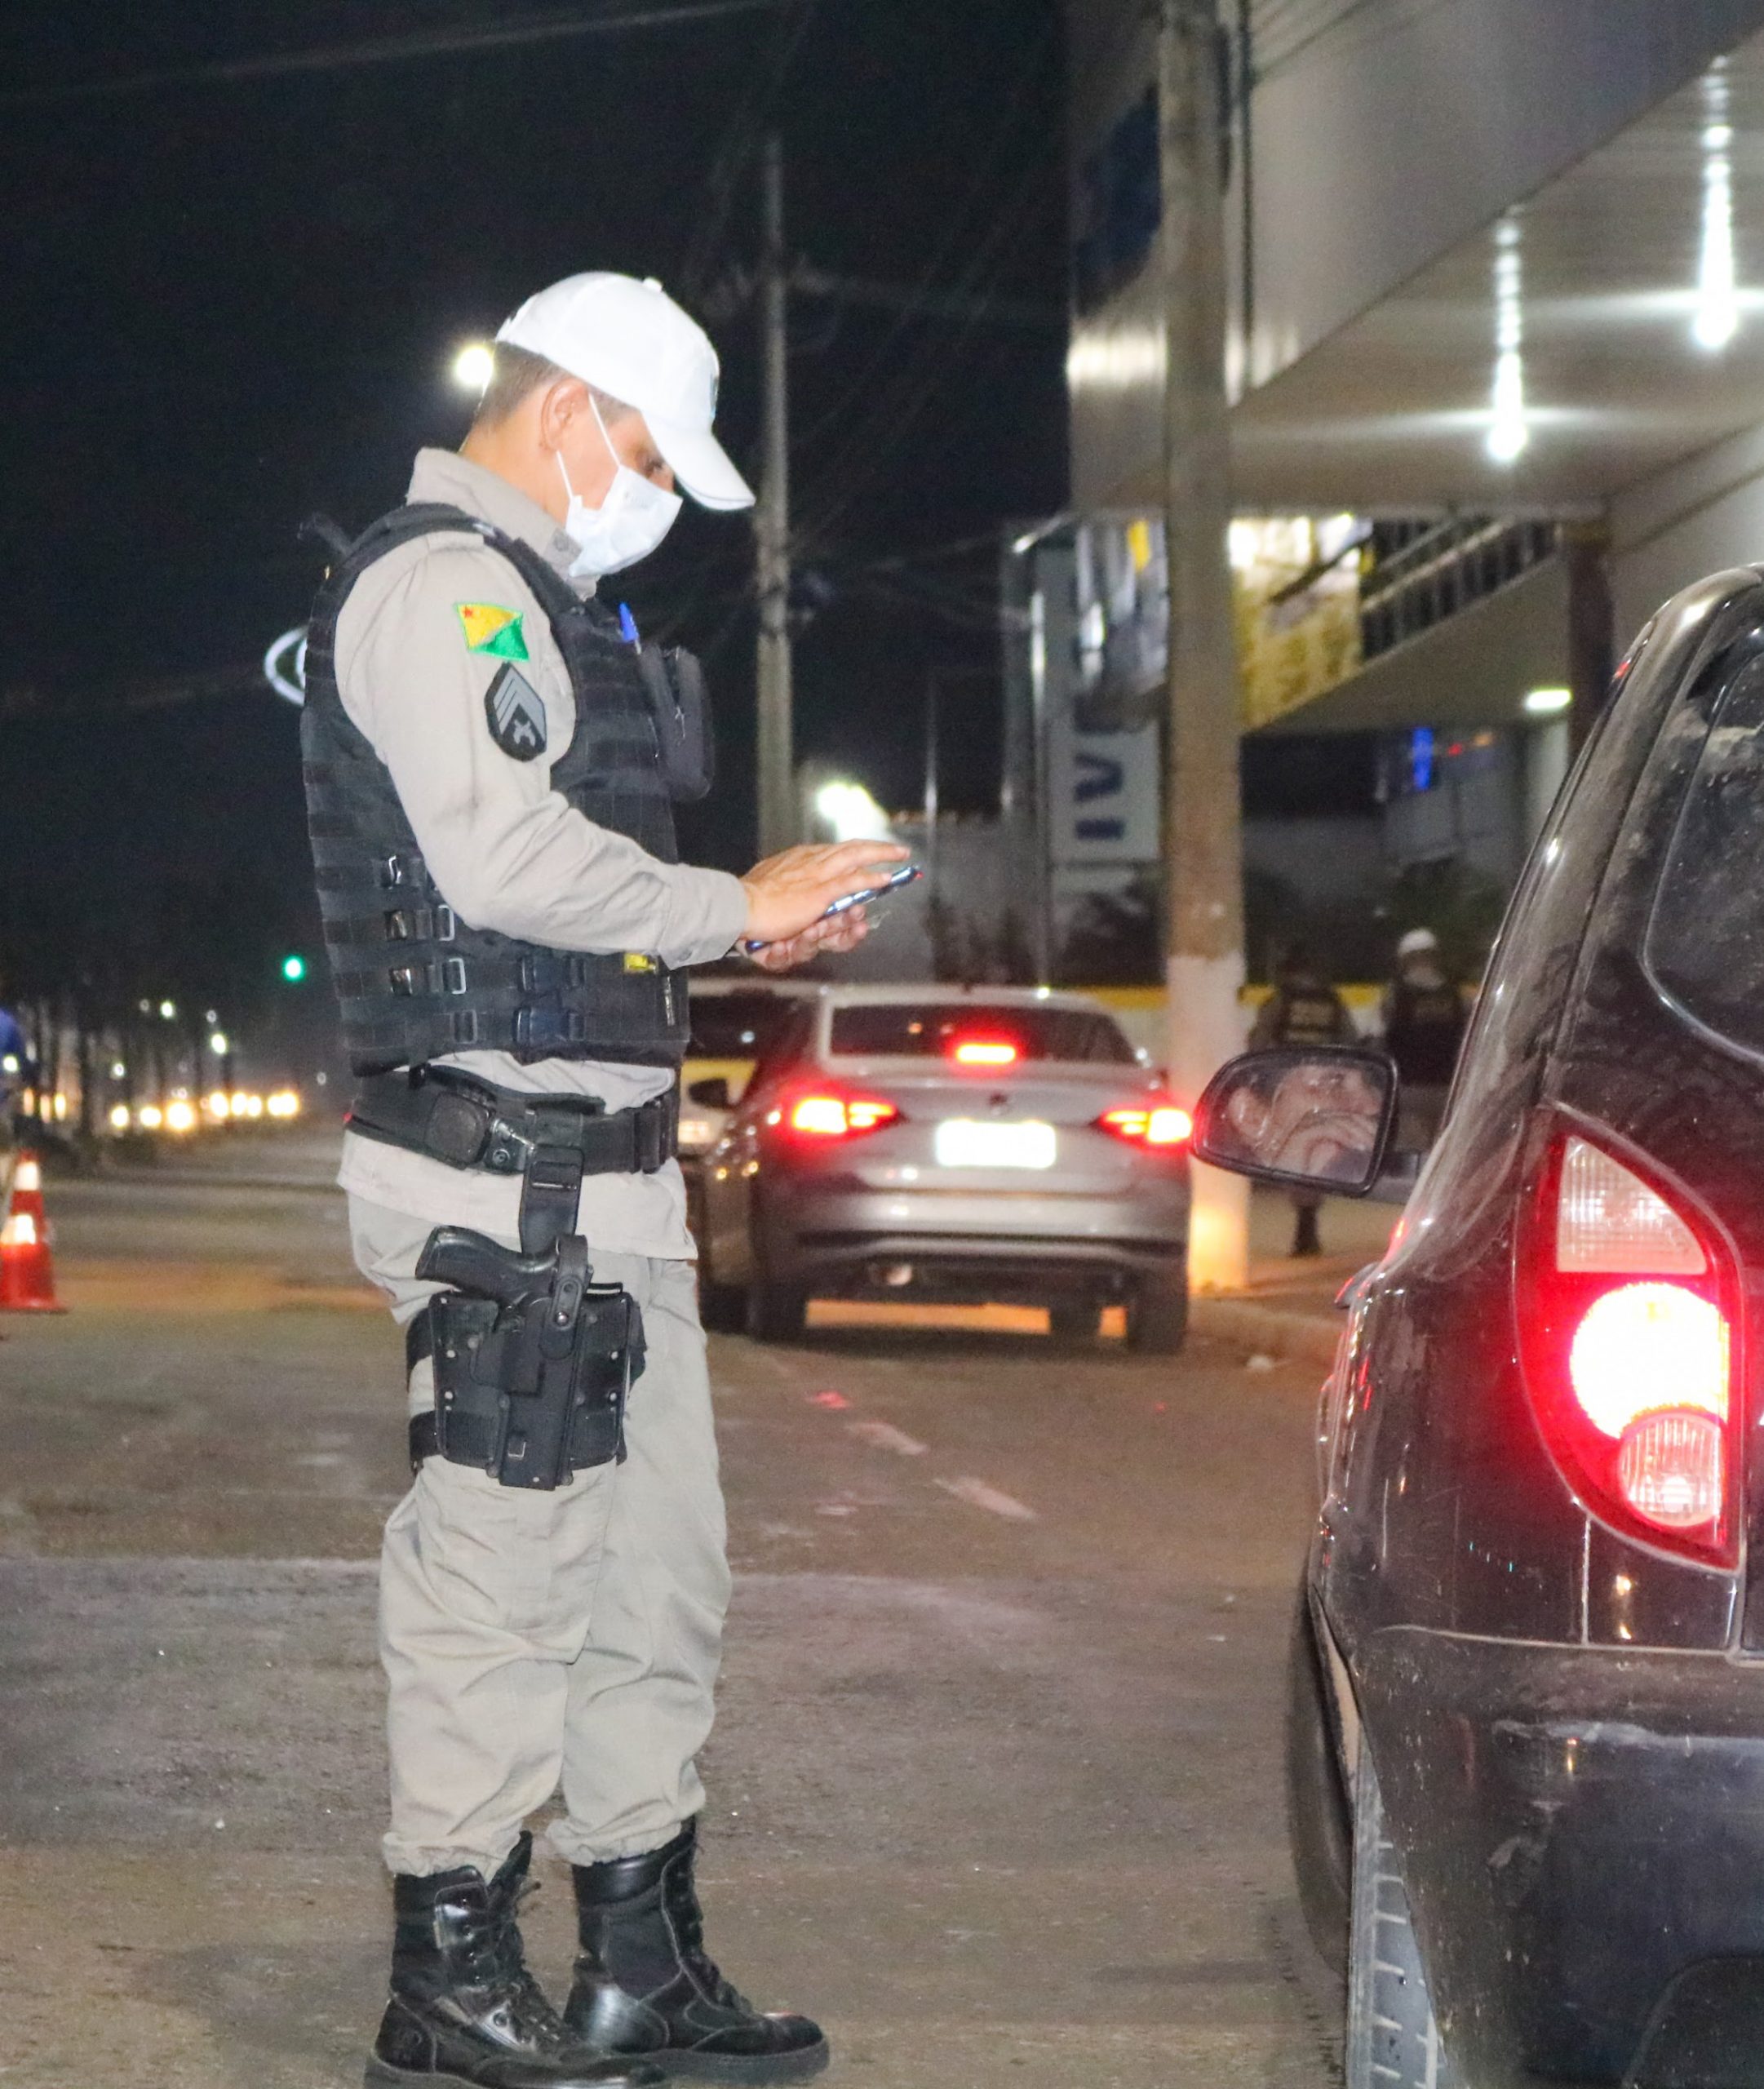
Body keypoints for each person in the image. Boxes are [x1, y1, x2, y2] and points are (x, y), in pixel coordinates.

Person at [302, 273, 906, 2089]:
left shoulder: (549, 607)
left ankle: (641, 1962)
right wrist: (738, 903)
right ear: (567, 407)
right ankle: (449, 1975)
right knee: (500, 1580)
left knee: (657, 1584)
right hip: (505, 1186)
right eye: (645, 448)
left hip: (612, 1186)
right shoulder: (447, 588)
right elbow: (498, 863)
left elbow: (583, 910)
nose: (646, 489)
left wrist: (735, 941)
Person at [1248, 947, 1356, 1256]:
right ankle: (1308, 1221)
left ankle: (1304, 1225)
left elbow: (1259, 1043)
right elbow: (1350, 1041)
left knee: (1294, 1151)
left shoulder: (1278, 1001)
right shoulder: (1333, 1002)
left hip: (1289, 1088)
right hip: (1326, 1087)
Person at [1380, 926, 1468, 1159]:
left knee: (1412, 1156)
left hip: (1409, 1088)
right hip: (1449, 1087)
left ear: (1406, 958)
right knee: (1444, 1156)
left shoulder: (1395, 993)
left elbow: (1379, 1035)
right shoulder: (1456, 994)